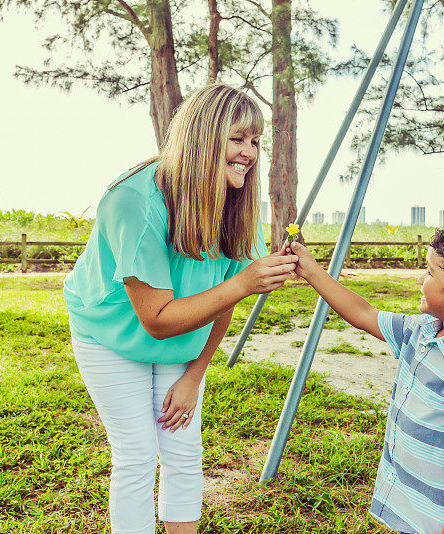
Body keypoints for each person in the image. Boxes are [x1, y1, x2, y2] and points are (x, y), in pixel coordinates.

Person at [63, 84, 298, 534]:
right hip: (111, 333)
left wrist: (194, 375)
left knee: (182, 449)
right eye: (237, 139)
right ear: (203, 137)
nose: (248, 152)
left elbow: (226, 295)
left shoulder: (236, 201)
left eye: (255, 141)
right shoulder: (132, 203)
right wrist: (246, 282)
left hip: (182, 338)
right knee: (136, 454)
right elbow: (157, 320)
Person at [286, 221, 444, 534]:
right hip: (415, 510)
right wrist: (310, 271)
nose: (420, 278)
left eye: (429, 272)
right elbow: (363, 314)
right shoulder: (420, 331)